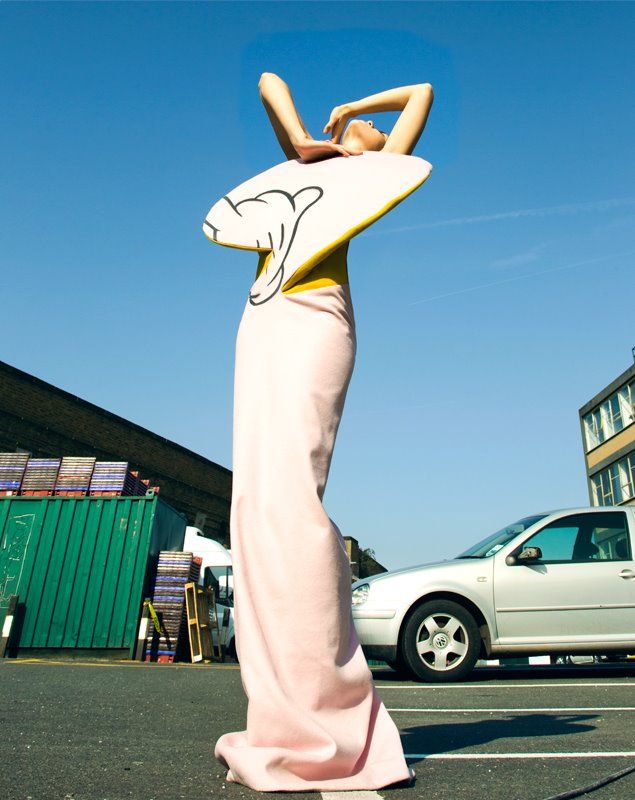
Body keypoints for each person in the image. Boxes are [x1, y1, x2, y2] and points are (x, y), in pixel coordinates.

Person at [212, 71, 434, 792]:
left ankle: (329, 717)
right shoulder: (302, 171)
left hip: (316, 321)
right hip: (261, 322)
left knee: (293, 501)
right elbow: (269, 82)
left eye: (375, 131)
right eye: (367, 126)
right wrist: (311, 138)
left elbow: (421, 94)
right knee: (256, 504)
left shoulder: (373, 172)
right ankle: (281, 716)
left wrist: (355, 110)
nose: (373, 130)